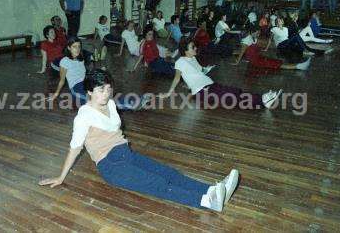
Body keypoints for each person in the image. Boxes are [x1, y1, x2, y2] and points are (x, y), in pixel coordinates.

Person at [39, 69, 240, 212]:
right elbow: (74, 148)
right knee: (158, 183)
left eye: (108, 88)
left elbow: (116, 128)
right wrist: (60, 177)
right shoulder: (83, 116)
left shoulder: (109, 102)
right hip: (111, 165)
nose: (106, 93)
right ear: (89, 91)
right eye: (100, 89)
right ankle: (206, 201)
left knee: (169, 173)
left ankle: (212, 189)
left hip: (126, 154)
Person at [161, 41, 282, 110]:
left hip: (209, 84)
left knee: (235, 91)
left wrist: (206, 69)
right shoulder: (180, 62)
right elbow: (177, 77)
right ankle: (263, 101)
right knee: (232, 97)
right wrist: (168, 92)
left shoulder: (193, 58)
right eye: (192, 47)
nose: (195, 48)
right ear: (185, 50)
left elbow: (199, 72)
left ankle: (263, 97)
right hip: (202, 91)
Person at [50, 37, 148, 110]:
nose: (77, 49)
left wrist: (98, 70)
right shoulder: (64, 61)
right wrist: (55, 95)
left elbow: (84, 73)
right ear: (68, 48)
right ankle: (133, 104)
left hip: (87, 83)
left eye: (79, 46)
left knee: (108, 95)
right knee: (101, 101)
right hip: (77, 88)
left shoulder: (80, 59)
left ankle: (136, 100)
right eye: (74, 47)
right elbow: (62, 80)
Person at [233, 27, 311, 71]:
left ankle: (298, 66)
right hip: (255, 61)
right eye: (257, 33)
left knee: (274, 61)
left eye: (259, 33)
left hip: (257, 58)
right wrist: (237, 62)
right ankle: (299, 66)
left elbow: (252, 50)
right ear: (251, 32)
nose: (258, 34)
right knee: (275, 64)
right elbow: (242, 52)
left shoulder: (253, 39)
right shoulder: (246, 40)